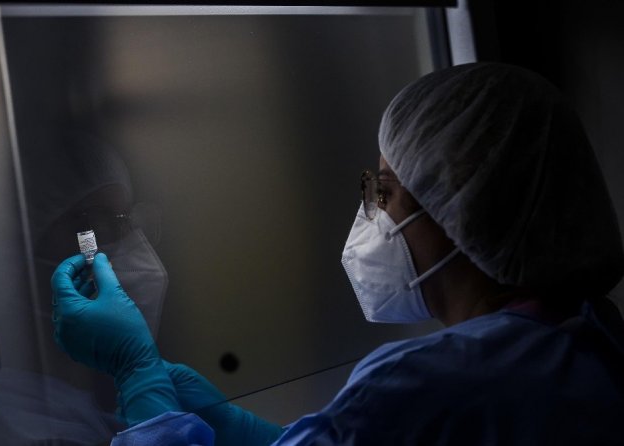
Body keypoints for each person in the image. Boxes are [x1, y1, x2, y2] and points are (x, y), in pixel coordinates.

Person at [50, 62, 624, 445]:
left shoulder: (418, 385)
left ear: (459, 210)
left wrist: (137, 373)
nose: (371, 211)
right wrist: (237, 428)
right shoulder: (589, 339)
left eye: (385, 191)